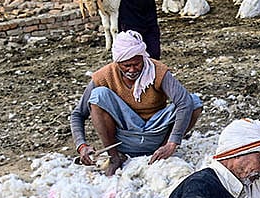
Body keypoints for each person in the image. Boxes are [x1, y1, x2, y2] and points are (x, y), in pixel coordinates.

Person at [70, 30, 202, 176]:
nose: (132, 70)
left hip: (156, 131)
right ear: (117, 62)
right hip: (124, 137)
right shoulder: (104, 75)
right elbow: (78, 114)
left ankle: (162, 151)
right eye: (126, 66)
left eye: (137, 64)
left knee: (193, 102)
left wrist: (173, 142)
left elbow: (184, 103)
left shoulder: (157, 71)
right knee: (98, 95)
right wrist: (82, 146)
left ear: (143, 58)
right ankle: (114, 158)